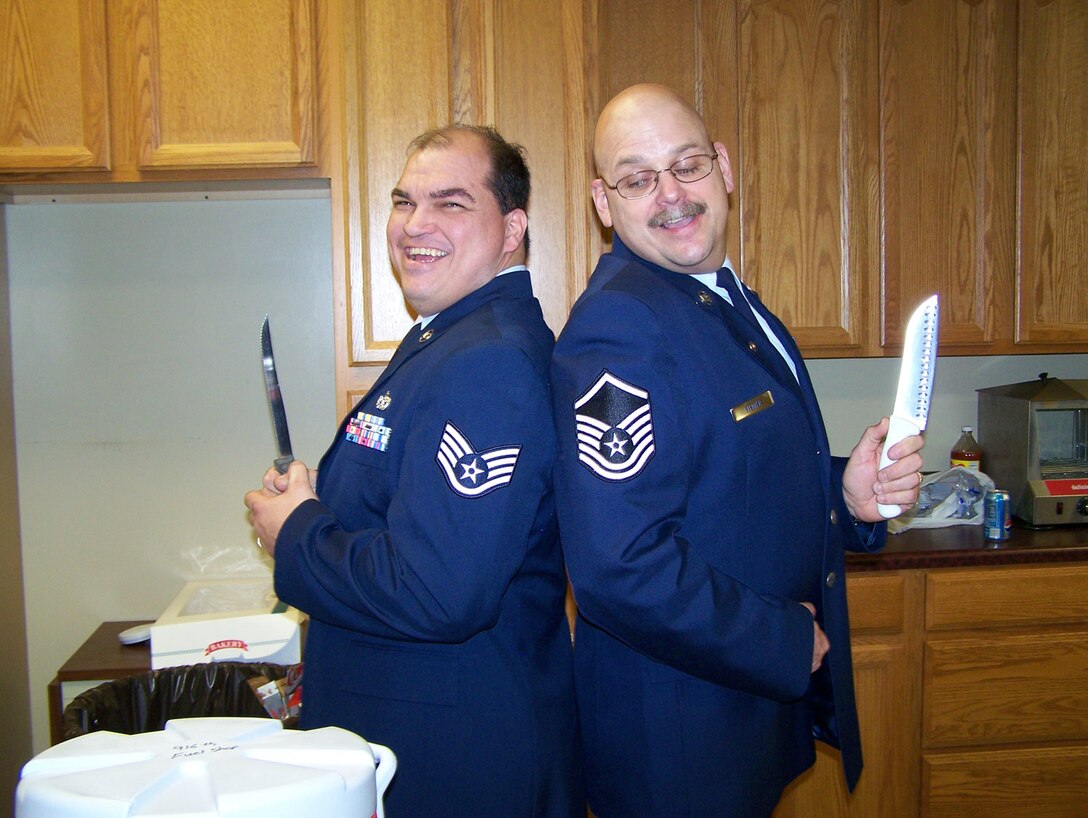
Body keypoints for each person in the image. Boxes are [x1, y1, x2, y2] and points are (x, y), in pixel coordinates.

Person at [550, 83, 926, 817]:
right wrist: (784, 641)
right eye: (637, 178)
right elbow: (617, 566)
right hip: (681, 744)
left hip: (734, 720)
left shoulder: (723, 299)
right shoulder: (620, 329)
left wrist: (847, 491)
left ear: (724, 168)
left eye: (687, 164)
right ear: (604, 202)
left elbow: (741, 478)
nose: (671, 195)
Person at [245, 124, 582, 818]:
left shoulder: (489, 362)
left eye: (451, 204)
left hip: (457, 764)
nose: (414, 225)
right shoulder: (448, 337)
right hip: (425, 743)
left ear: (511, 228)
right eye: (404, 202)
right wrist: (314, 502)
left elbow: (437, 590)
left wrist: (299, 533)